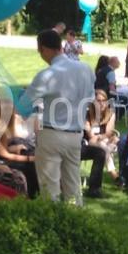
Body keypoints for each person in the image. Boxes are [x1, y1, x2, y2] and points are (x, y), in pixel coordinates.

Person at [20, 28, 96, 204]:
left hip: (51, 134)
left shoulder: (47, 74)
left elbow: (23, 106)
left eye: (40, 51)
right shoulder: (86, 70)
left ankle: (53, 226)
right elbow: (90, 97)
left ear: (44, 49)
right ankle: (77, 223)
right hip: (75, 134)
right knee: (73, 187)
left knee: (49, 189)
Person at [0, 95, 39, 197]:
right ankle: (31, 198)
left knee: (29, 163)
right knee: (29, 167)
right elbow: (5, 155)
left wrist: (13, 149)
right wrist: (31, 158)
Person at [86, 89, 119, 178]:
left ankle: (114, 174)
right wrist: (100, 137)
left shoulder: (111, 114)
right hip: (91, 143)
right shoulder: (88, 114)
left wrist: (101, 137)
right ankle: (114, 174)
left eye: (104, 101)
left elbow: (109, 132)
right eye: (98, 101)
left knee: (105, 145)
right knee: (103, 145)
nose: (101, 103)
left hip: (106, 141)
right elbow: (90, 135)